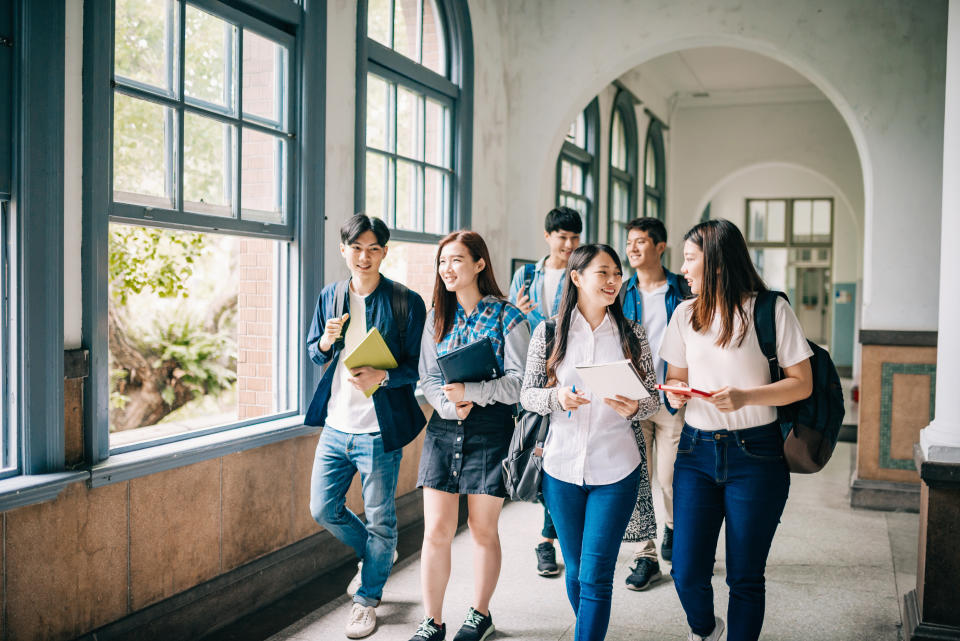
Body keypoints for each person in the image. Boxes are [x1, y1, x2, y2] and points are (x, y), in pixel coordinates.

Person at [661, 219, 813, 641]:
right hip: (696, 453)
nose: (684, 268)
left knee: (745, 576)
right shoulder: (684, 314)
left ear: (716, 263)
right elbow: (676, 377)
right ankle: (706, 629)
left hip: (757, 455)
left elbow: (802, 383)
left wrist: (746, 396)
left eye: (690, 259)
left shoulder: (770, 309)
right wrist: (676, 394)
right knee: (687, 571)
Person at [519, 244, 660, 641]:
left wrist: (635, 407)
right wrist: (556, 398)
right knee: (578, 570)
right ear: (576, 277)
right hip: (560, 469)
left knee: (597, 574)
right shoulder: (548, 332)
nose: (614, 281)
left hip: (617, 469)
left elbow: (653, 399)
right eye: (603, 273)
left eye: (617, 273)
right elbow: (527, 394)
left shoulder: (632, 334)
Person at [305, 214, 427, 640]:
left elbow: (421, 367)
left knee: (380, 518)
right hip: (336, 425)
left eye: (373, 248)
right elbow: (314, 352)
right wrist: (324, 341)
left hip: (379, 429)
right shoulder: (331, 296)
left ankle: (366, 600)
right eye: (356, 247)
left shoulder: (405, 302)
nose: (364, 256)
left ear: (384, 252)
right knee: (323, 508)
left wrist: (385, 376)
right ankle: (379, 556)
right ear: (344, 250)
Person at [411, 231, 531, 641]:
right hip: (444, 428)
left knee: (482, 530)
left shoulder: (509, 316)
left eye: (456, 260)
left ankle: (480, 614)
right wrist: (448, 405)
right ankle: (433, 621)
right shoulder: (435, 316)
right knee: (437, 531)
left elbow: (521, 384)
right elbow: (427, 376)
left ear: (479, 264)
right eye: (442, 262)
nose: (447, 269)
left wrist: (472, 393)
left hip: (490, 429)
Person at [507, 206, 582, 577]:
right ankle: (550, 536)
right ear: (547, 236)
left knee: (558, 459)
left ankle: (547, 540)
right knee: (539, 456)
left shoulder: (581, 272)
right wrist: (516, 312)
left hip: (568, 382)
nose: (568, 244)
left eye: (574, 238)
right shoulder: (525, 275)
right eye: (562, 237)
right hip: (533, 381)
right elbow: (507, 326)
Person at [619, 217, 692, 590]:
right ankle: (644, 555)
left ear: (660, 247)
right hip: (632, 400)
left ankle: (676, 534)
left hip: (671, 400)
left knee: (669, 477)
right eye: (629, 242)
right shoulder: (621, 291)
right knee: (637, 479)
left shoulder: (682, 291)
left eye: (641, 242)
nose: (632, 248)